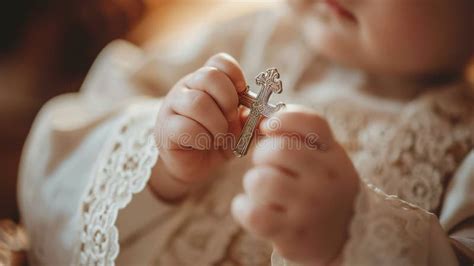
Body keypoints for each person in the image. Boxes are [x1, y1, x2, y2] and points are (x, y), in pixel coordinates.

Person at [18, 0, 474, 265]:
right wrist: (160, 158)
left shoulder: (464, 143)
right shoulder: (250, 35)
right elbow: (64, 157)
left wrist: (350, 233)